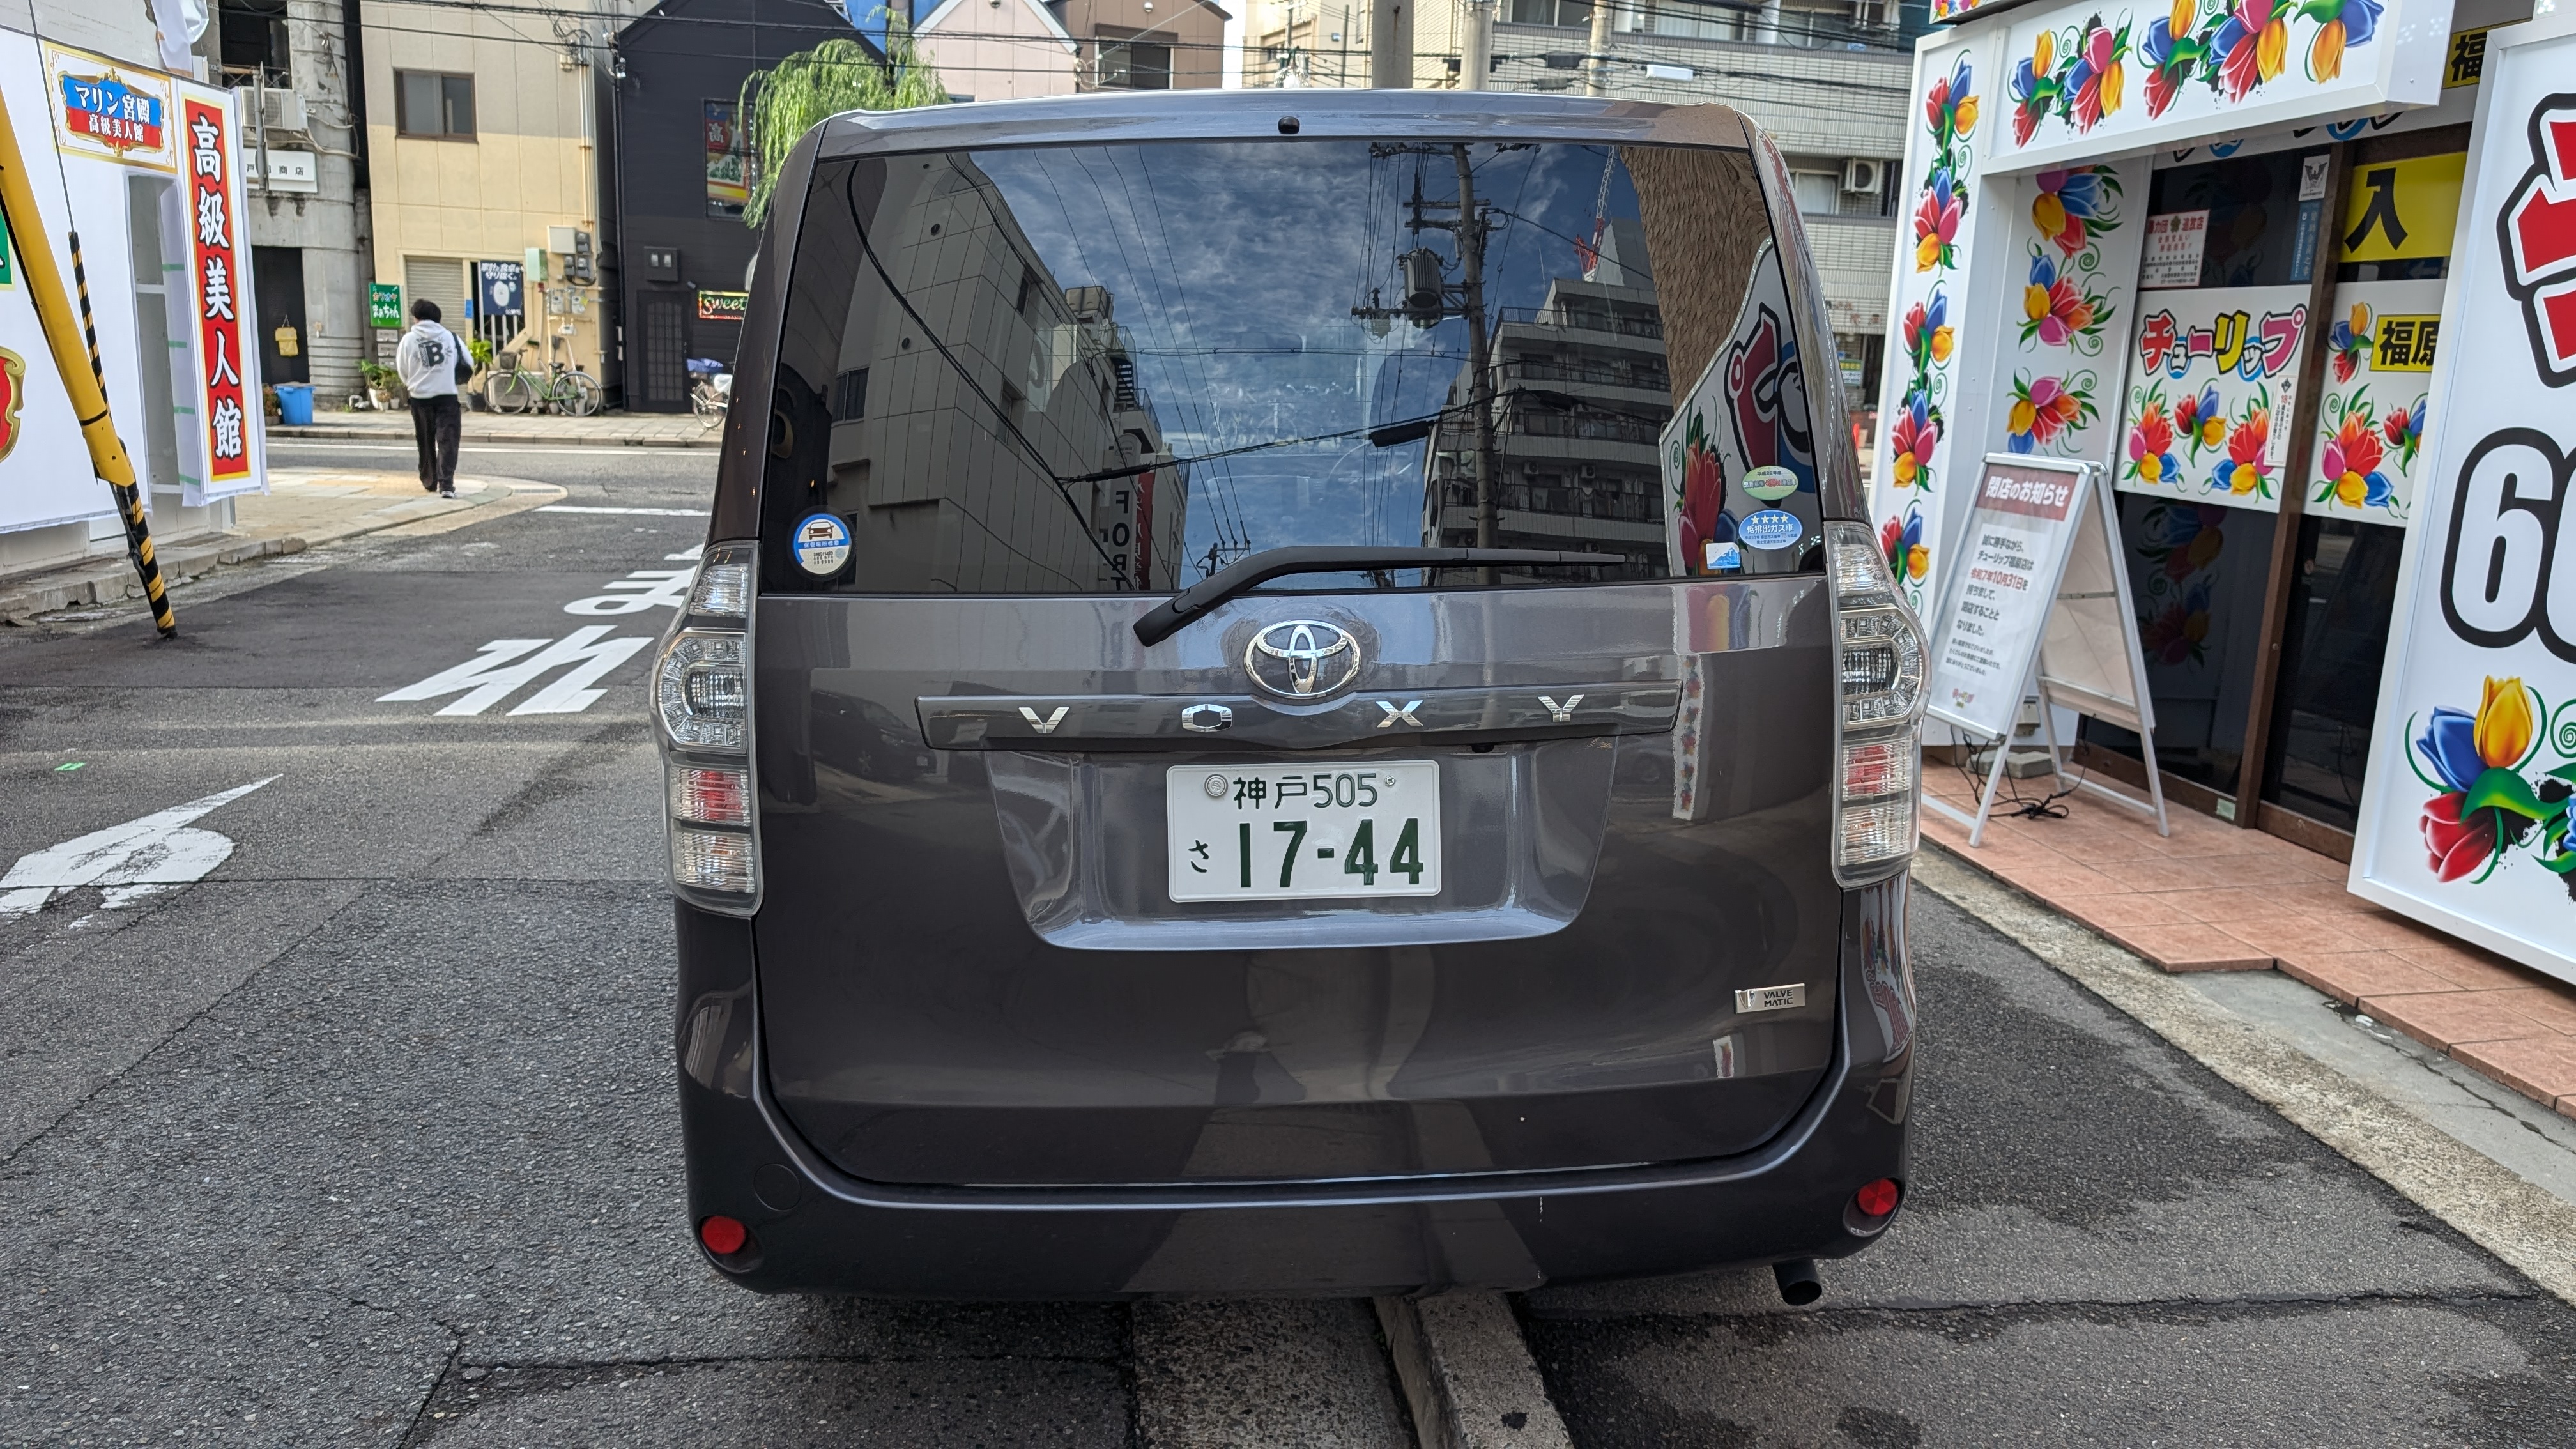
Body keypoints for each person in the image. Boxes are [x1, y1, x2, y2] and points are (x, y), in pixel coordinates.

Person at [394, 299, 466, 497]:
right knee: (448, 441)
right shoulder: (451, 337)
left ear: (416, 318)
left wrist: (415, 384)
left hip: (420, 398)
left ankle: (429, 481)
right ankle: (447, 485)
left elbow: (402, 369)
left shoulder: (408, 340)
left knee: (425, 440)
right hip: (447, 396)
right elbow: (468, 361)